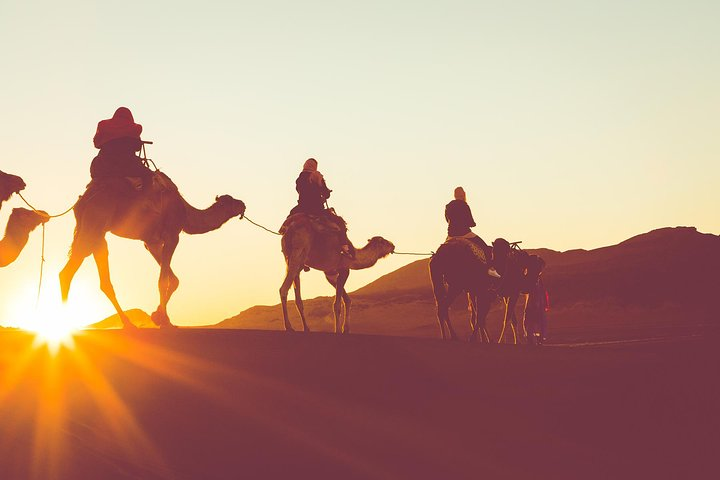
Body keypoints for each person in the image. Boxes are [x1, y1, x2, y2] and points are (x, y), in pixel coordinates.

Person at [288, 158, 354, 257]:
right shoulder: (317, 176)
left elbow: (299, 191)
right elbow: (326, 194)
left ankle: (285, 235)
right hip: (317, 210)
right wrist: (320, 185)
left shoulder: (299, 178)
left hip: (302, 208)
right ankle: (344, 247)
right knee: (340, 222)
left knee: (290, 218)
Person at [90, 107, 153, 189]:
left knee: (95, 183)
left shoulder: (102, 125)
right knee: (148, 176)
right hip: (127, 166)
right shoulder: (134, 128)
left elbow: (97, 144)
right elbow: (137, 147)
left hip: (102, 166)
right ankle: (143, 199)